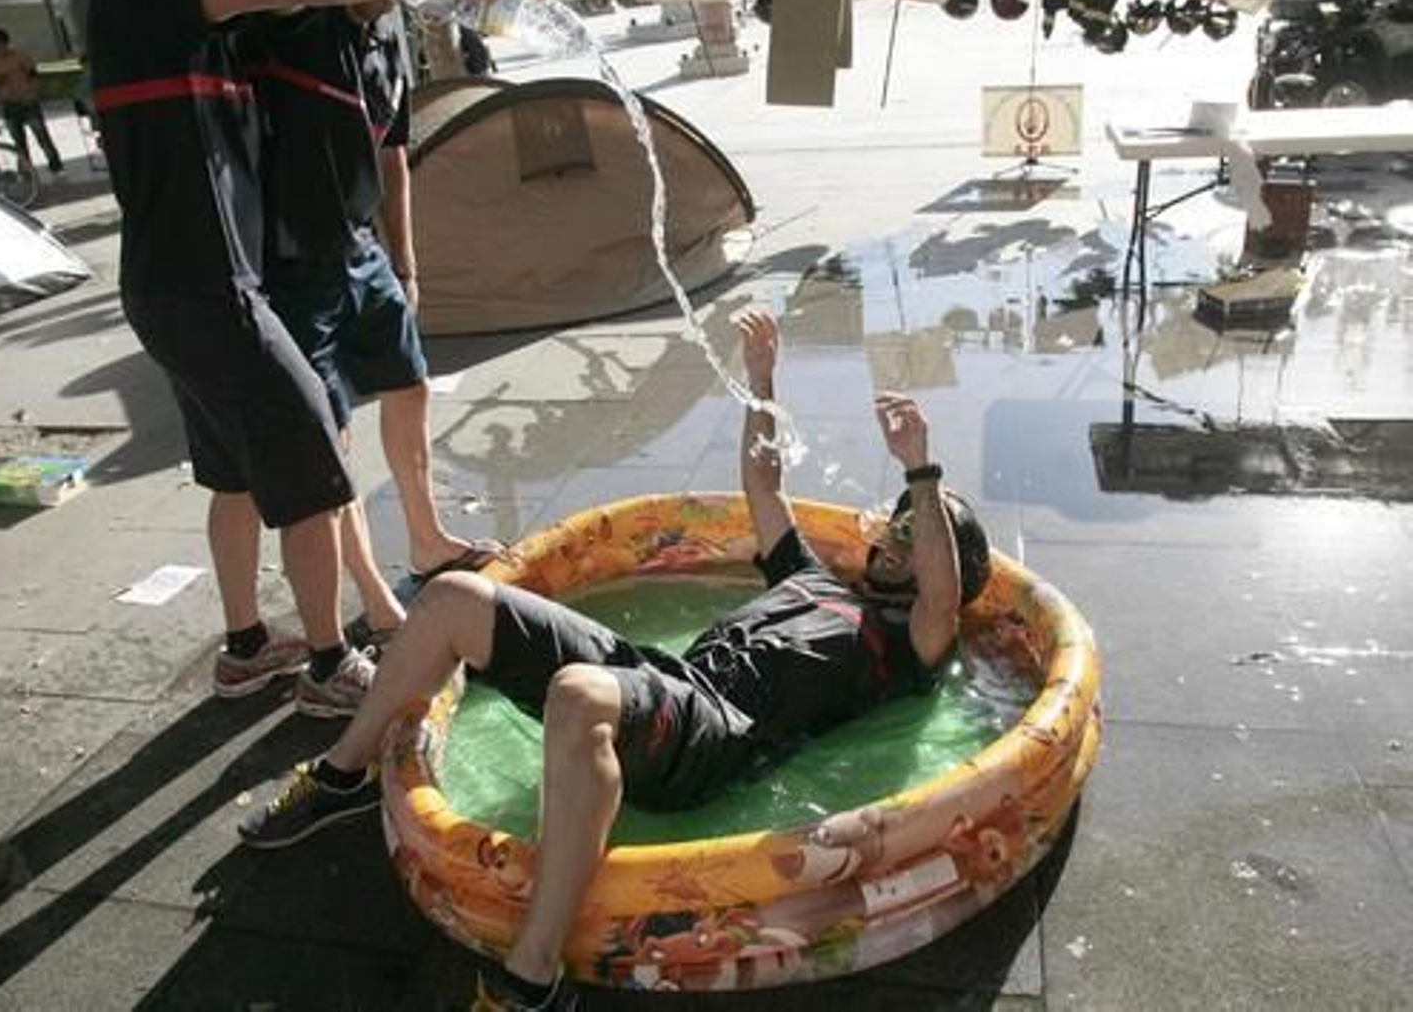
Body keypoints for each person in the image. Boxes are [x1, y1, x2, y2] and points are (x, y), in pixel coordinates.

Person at [238, 309, 993, 1010]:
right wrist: (763, 380)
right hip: (670, 682)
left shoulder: (907, 644)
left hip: (719, 735)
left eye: (917, 533)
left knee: (577, 693)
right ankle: (342, 775)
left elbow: (941, 597)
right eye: (898, 524)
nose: (897, 536)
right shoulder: (808, 575)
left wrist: (921, 475)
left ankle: (533, 976)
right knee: (454, 598)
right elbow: (763, 484)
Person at [87, 0, 530, 704]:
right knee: (319, 472)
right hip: (211, 290)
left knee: (236, 479)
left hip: (185, 288)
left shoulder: (191, 20)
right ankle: (330, 668)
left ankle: (246, 647)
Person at [0, 29, 64, 175]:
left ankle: (56, 166)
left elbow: (33, 74)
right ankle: (27, 172)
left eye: (2, 45)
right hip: (9, 104)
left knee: (42, 136)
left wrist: (33, 94)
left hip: (27, 102)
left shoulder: (19, 56)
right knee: (19, 142)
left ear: (6, 43)